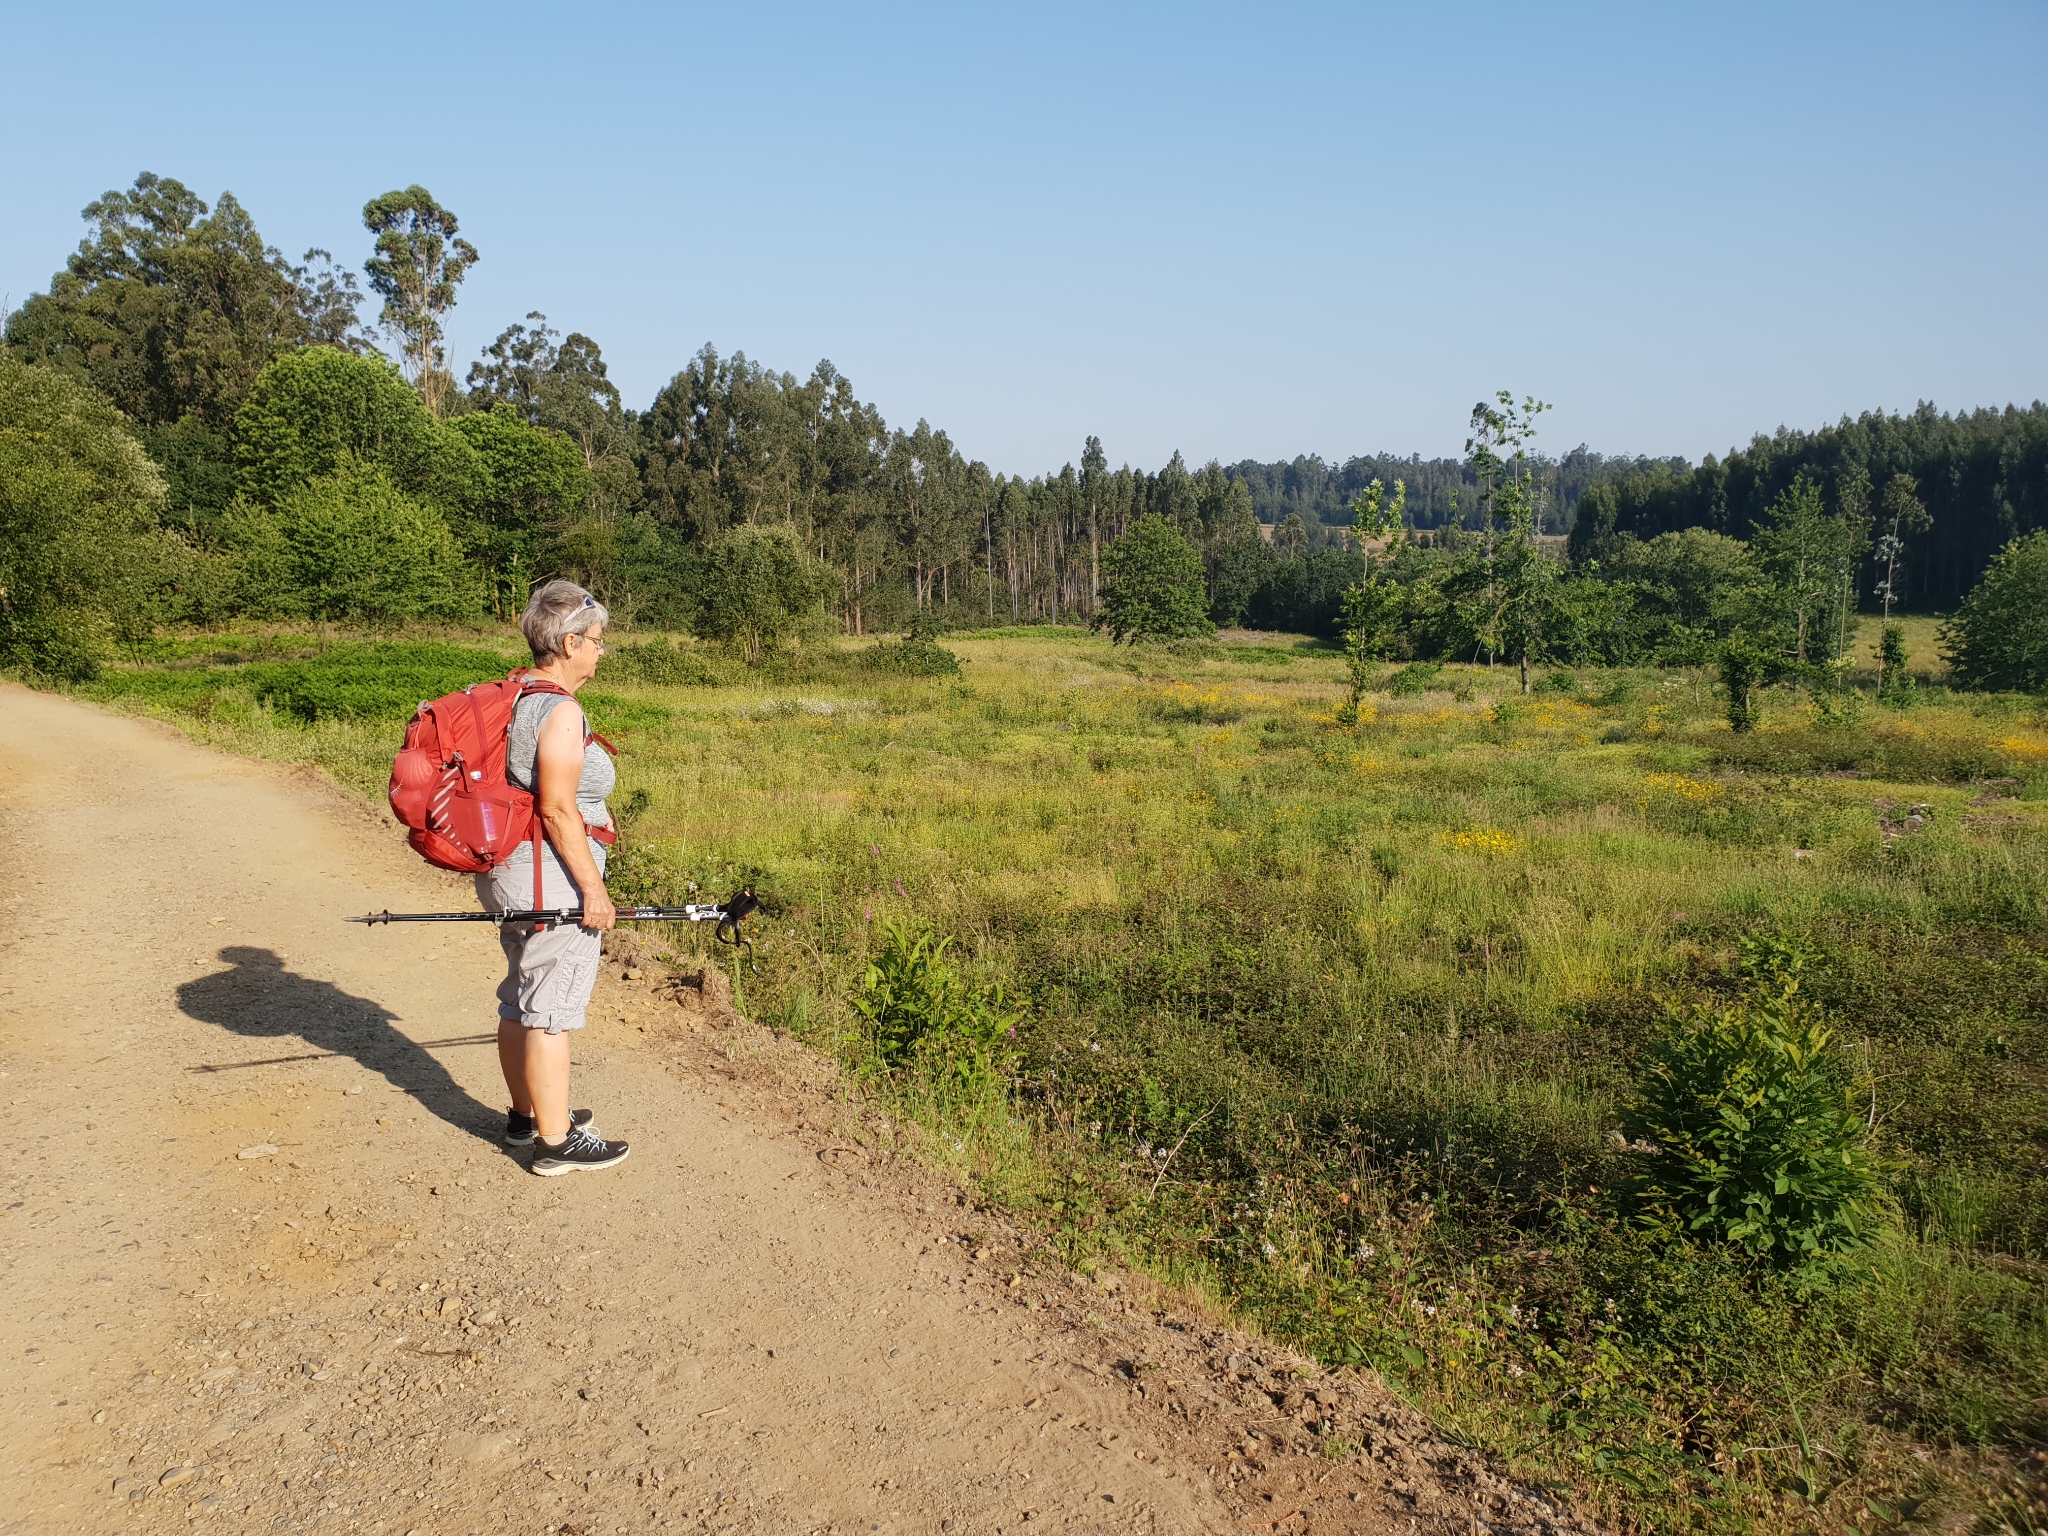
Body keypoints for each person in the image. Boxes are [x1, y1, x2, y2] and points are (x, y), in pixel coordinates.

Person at [482, 580, 631, 1175]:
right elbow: (557, 808)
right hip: (551, 878)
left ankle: (527, 1116)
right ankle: (555, 1141)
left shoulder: (519, 693)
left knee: (521, 995)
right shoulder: (562, 710)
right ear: (569, 643)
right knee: (551, 1006)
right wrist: (593, 891)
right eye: (597, 640)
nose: (601, 650)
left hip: (513, 872)